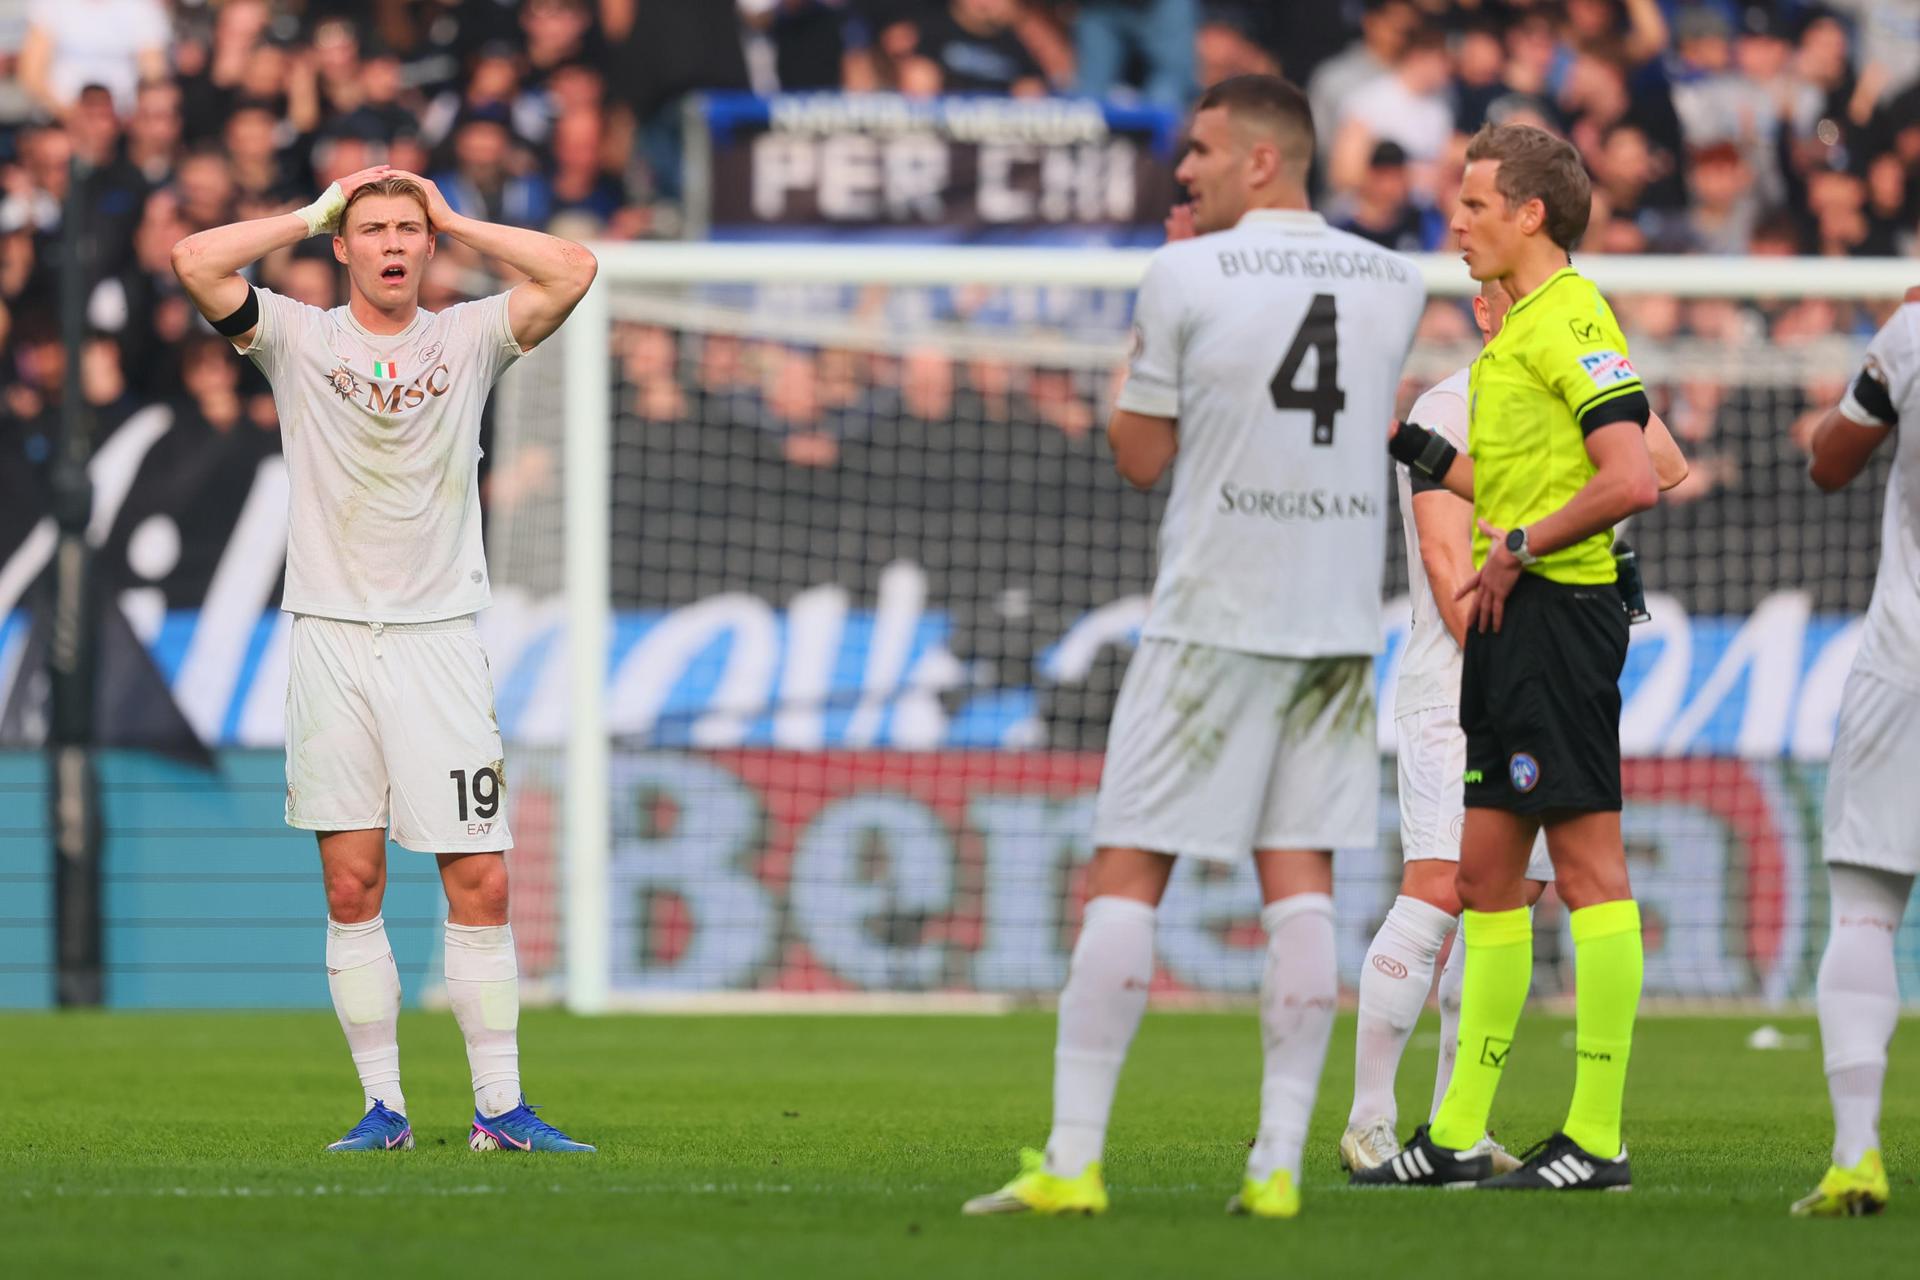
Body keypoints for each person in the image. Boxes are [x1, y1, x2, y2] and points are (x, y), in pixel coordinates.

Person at [962, 74, 1426, 1221]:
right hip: (1334, 622)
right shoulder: (1398, 280)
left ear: (1262, 159)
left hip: (1213, 610)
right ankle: (1277, 1166)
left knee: (1127, 872)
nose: (1184, 170)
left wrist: (1155, 309)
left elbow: (1137, 456)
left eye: (1203, 149)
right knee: (1301, 882)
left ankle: (1074, 1159)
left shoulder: (1183, 272)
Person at [169, 164, 599, 1154]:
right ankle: (386, 1111)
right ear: (344, 246)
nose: (395, 244)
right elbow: (194, 259)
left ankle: (499, 1109)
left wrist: (458, 217)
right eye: (374, 229)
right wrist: (308, 209)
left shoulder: (470, 336)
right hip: (329, 637)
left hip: (439, 638)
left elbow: (574, 268)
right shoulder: (297, 338)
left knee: (481, 879)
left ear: (427, 244)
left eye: (410, 229)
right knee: (351, 884)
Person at [1356, 122, 1662, 1191]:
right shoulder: (1521, 329)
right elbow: (1519, 481)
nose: (1456, 222)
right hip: (1509, 625)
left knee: (1587, 872)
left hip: (1558, 617)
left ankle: (1598, 1136)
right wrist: (1417, 451)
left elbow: (1635, 475)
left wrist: (1522, 546)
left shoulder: (1571, 316)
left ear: (1531, 214)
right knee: (1486, 880)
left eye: (1476, 204)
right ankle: (1453, 1136)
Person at [1788, 285, 1920, 1218]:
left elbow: (1829, 463)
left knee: (1867, 912)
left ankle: (1856, 1154)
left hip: (1905, 661)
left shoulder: (1914, 331)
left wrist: (1886, 357)